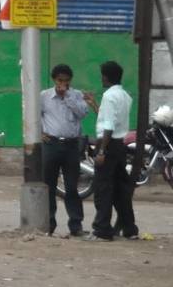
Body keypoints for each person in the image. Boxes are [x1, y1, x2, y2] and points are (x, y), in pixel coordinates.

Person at [38, 62, 93, 237]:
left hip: (71, 145)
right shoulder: (44, 96)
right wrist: (40, 132)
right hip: (51, 145)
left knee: (71, 187)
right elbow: (35, 114)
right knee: (49, 186)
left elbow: (83, 114)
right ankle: (49, 223)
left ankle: (75, 224)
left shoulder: (76, 95)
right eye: (60, 80)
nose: (63, 84)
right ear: (54, 79)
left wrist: (67, 97)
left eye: (67, 81)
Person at [91, 61, 137, 241]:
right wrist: (95, 106)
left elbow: (108, 127)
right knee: (121, 189)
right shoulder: (125, 96)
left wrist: (101, 151)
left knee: (103, 188)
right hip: (119, 145)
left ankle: (102, 229)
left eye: (102, 74)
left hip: (108, 145)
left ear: (106, 76)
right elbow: (111, 120)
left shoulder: (109, 96)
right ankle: (130, 228)